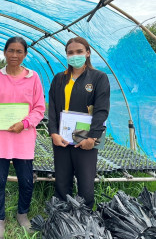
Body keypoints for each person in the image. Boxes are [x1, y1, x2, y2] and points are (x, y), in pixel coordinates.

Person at [0, 36, 45, 239]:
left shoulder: (33, 78)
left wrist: (24, 124)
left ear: (25, 54)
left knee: (26, 181)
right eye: (11, 51)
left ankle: (22, 214)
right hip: (0, 140)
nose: (14, 55)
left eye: (19, 51)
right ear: (5, 52)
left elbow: (39, 108)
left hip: (23, 141)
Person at [48, 36, 110, 209]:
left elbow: (101, 110)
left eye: (79, 52)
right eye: (70, 53)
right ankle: (61, 217)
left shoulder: (99, 78)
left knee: (85, 182)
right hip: (62, 136)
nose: (74, 55)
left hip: (85, 136)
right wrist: (53, 132)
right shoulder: (59, 78)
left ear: (87, 53)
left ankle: (85, 218)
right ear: (66, 55)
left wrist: (92, 138)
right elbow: (52, 108)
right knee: (62, 180)